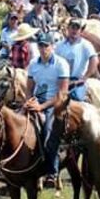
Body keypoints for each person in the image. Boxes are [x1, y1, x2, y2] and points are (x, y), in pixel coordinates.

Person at [25, 32, 70, 186]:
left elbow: (62, 94)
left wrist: (41, 107)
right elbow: (29, 87)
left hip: (54, 104)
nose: (43, 48)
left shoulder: (61, 64)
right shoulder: (33, 64)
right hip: (36, 101)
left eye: (46, 45)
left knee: (49, 132)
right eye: (41, 45)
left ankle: (52, 171)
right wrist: (29, 100)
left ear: (52, 47)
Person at [55, 19, 98, 102]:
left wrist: (85, 77)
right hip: (61, 80)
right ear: (68, 28)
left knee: (78, 99)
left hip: (77, 81)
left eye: (77, 28)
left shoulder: (86, 45)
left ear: (80, 31)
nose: (74, 30)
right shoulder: (59, 45)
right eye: (72, 27)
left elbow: (94, 60)